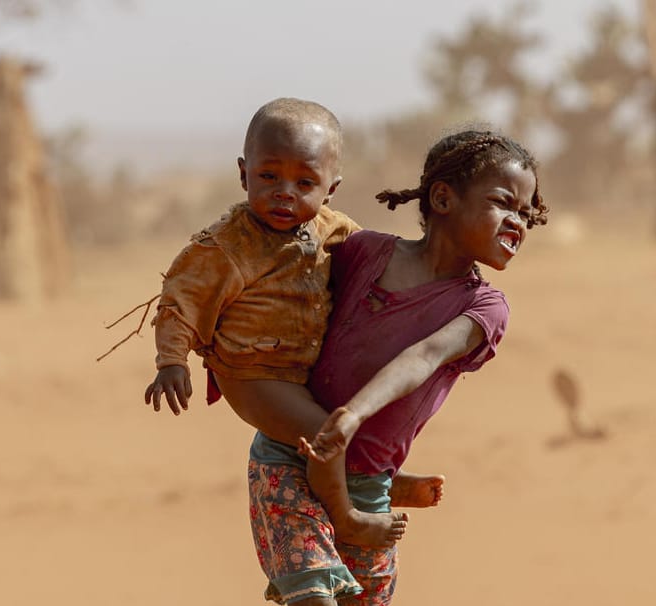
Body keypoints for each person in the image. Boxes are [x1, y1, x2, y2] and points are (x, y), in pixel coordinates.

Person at [244, 128, 546, 606]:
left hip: (367, 481)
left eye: (527, 212)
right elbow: (269, 267)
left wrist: (351, 418)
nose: (518, 222)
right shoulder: (358, 252)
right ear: (442, 197)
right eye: (503, 203)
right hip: (288, 459)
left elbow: (423, 357)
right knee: (314, 600)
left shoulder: (482, 307)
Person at [141, 98, 443, 555]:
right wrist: (171, 362)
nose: (285, 192)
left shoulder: (333, 229)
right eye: (268, 177)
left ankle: (380, 481)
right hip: (252, 373)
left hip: (302, 368)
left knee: (351, 423)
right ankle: (348, 519)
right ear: (244, 174)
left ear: (331, 188)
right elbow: (181, 299)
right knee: (328, 435)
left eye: (304, 182)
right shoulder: (227, 245)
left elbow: (380, 260)